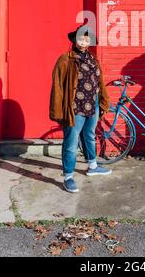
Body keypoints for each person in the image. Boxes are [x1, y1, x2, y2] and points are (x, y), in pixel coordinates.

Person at [49, 25, 112, 193]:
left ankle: (92, 166)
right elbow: (57, 86)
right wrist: (57, 110)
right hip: (74, 108)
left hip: (93, 105)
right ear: (74, 40)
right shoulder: (65, 59)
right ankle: (68, 176)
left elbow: (100, 82)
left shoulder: (93, 59)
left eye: (87, 39)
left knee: (90, 136)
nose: (83, 42)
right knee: (71, 142)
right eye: (80, 38)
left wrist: (104, 101)